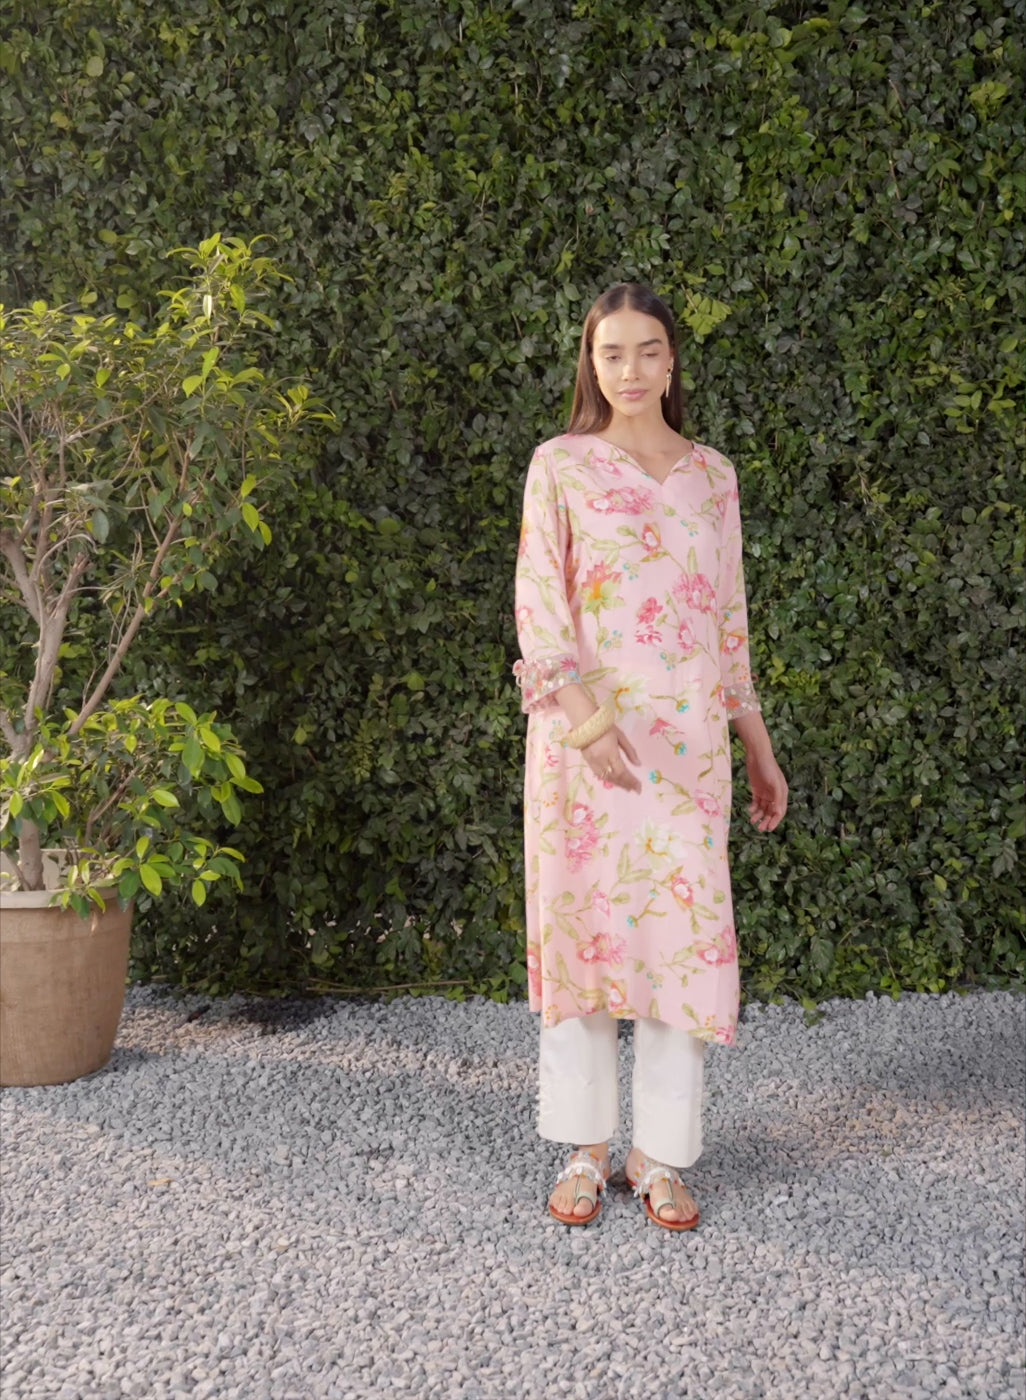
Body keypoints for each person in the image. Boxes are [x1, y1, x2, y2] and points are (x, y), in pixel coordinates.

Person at [513, 283, 788, 1230]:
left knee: (685, 943)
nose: (629, 369)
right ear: (590, 364)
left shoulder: (714, 476)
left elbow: (728, 622)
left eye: (647, 350)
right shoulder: (560, 465)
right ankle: (585, 1151)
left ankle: (661, 1155)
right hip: (584, 744)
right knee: (584, 932)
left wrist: (757, 745)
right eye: (611, 352)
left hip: (689, 749)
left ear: (673, 361)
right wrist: (586, 726)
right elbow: (539, 606)